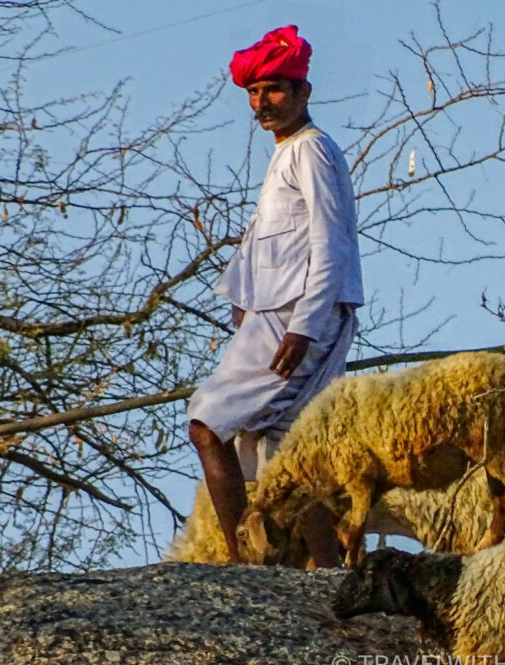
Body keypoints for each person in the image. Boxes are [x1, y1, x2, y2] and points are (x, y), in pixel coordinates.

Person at [187, 25, 364, 565]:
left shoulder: (312, 151)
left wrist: (304, 324)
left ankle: (244, 557)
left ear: (303, 92)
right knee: (276, 445)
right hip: (272, 314)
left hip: (298, 315)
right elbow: (263, 239)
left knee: (208, 423)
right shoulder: (284, 156)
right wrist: (243, 296)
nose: (262, 103)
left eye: (274, 90)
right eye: (254, 92)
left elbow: (330, 243)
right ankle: (323, 569)